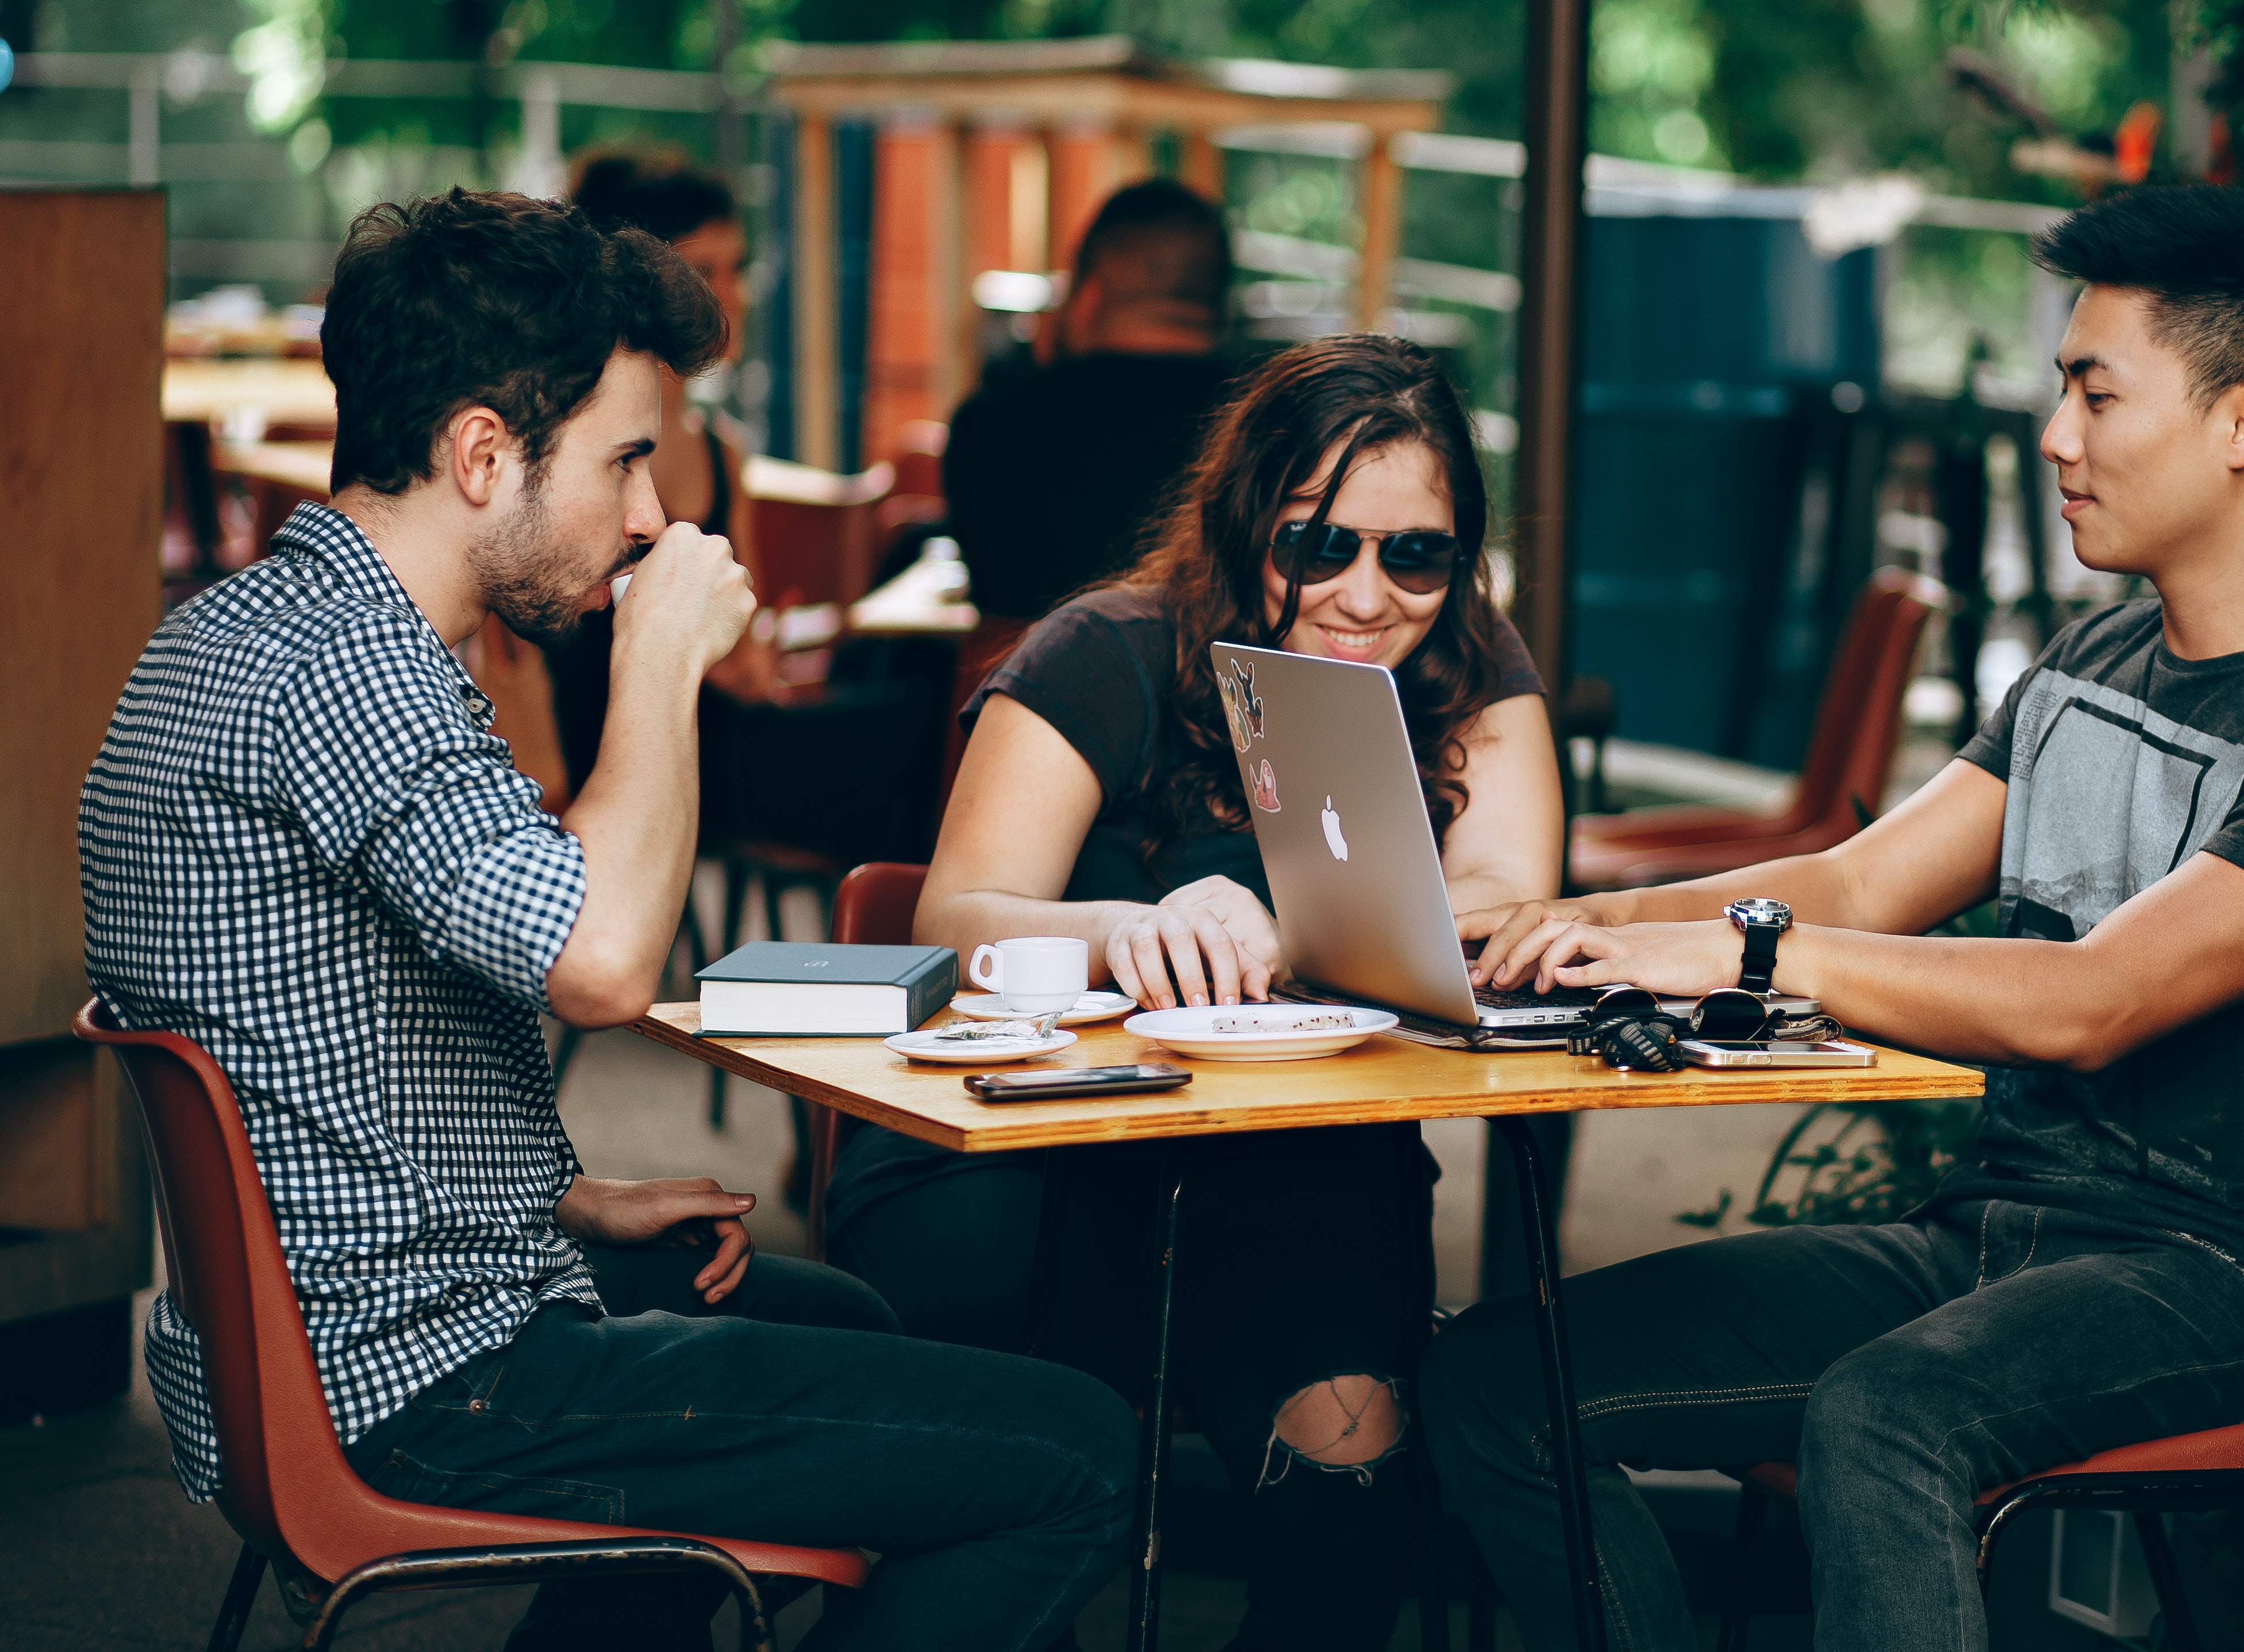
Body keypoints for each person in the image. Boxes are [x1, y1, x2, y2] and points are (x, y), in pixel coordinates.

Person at [79, 189, 1134, 1652]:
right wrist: (659, 663)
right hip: (415, 1375)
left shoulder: (241, 632)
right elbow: (604, 962)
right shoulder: (350, 676)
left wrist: (556, 1199)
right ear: (481, 455)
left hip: (311, 1333)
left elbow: (310, 1041)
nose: (651, 513)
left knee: (857, 1331)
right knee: (1074, 1453)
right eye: (627, 459)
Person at [1425, 185, 2244, 1652]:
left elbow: (2092, 999)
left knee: (1884, 1414)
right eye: (2061, 391)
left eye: (2095, 394)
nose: (2056, 437)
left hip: (2213, 1281)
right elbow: (1860, 881)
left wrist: (1728, 948)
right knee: (1496, 1387)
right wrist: (1560, 923)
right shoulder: (2094, 652)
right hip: (1984, 1237)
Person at [824, 334, 1563, 1650]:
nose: (1366, 592)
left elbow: (1505, 899)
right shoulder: (1103, 649)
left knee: (1348, 1484)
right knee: (1031, 1470)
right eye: (1316, 545)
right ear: (1243, 529)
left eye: (1417, 553)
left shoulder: (1465, 663)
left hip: (1286, 1165)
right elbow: (951, 919)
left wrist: (1294, 924)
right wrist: (1134, 924)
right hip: (1028, 1153)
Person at [545, 149, 777, 797]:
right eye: (704, 270)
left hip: (701, 747)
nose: (730, 296)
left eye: (737, 269)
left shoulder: (723, 456)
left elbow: (747, 646)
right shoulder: (563, 449)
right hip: (586, 751)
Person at [942, 177, 1242, 622]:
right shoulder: (1265, 426)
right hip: (1210, 689)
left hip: (1024, 686)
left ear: (1088, 294)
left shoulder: (990, 425)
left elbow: (990, 590)